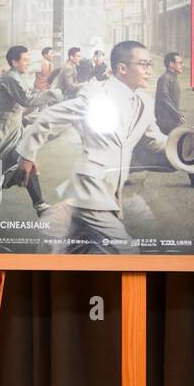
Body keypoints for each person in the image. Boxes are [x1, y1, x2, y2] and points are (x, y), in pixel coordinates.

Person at [15, 40, 171, 251]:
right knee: (126, 251)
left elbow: (155, 140)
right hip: (92, 186)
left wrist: (185, 149)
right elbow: (49, 116)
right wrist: (27, 155)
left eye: (150, 64)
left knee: (75, 247)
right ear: (122, 68)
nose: (149, 70)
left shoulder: (145, 102)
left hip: (110, 190)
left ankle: (49, 249)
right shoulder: (97, 93)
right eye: (143, 64)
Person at [0, 44, 58, 215]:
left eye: (29, 60)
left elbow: (22, 106)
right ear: (14, 61)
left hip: (14, 131)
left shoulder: (17, 77)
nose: (28, 63)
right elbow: (26, 100)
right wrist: (52, 95)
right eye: (25, 60)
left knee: (25, 162)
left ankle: (39, 204)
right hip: (3, 132)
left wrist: (33, 114)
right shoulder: (11, 77)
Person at [146, 50, 194, 187]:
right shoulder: (165, 78)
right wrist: (176, 114)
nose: (182, 65)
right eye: (179, 63)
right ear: (171, 64)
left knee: (180, 148)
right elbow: (164, 98)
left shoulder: (172, 78)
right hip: (166, 122)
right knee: (184, 146)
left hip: (170, 121)